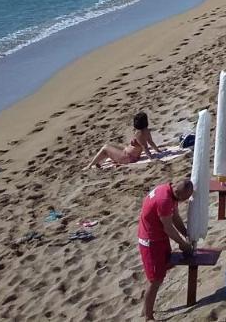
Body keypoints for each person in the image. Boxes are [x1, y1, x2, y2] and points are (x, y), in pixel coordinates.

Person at [137, 177, 194, 321]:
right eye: (184, 199)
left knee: (166, 264)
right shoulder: (164, 200)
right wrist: (182, 243)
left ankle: (146, 308)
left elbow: (175, 216)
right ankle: (148, 316)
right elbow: (168, 227)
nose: (183, 202)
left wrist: (186, 232)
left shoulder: (170, 191)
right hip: (150, 241)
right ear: (178, 193)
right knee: (155, 280)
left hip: (160, 238)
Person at [87, 111, 161, 168]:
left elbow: (145, 147)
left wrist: (151, 159)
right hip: (128, 153)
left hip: (128, 157)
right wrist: (157, 150)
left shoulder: (139, 134)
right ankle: (99, 163)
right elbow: (150, 142)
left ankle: (89, 166)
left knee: (105, 148)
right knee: (111, 145)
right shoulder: (146, 130)